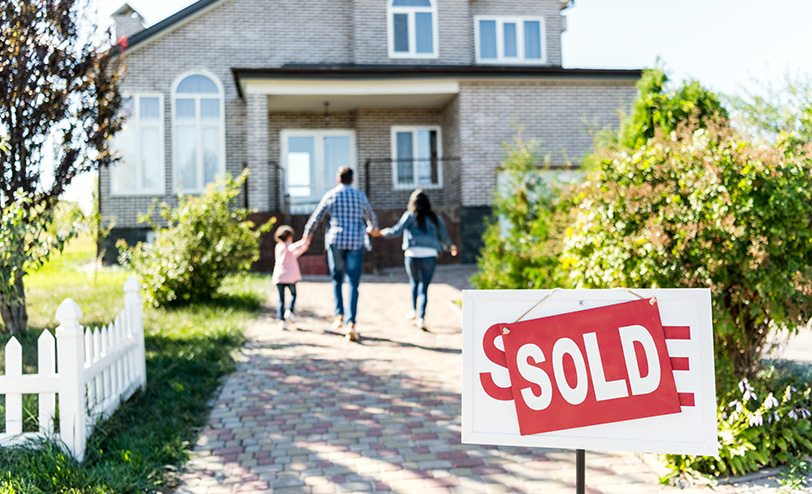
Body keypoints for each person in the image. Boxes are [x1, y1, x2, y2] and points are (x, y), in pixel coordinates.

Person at [302, 166, 378, 342]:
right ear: (352, 179)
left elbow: (317, 216)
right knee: (353, 282)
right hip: (355, 242)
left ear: (338, 179)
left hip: (336, 241)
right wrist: (372, 229)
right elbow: (371, 217)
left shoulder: (332, 195)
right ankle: (351, 324)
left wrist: (307, 235)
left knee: (336, 278)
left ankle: (339, 316)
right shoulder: (360, 196)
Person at [369, 190, 457, 331]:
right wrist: (450, 247)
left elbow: (396, 230)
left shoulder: (409, 216)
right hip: (429, 255)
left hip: (412, 255)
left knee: (414, 282)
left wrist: (380, 233)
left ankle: (413, 310)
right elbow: (444, 236)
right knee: (424, 287)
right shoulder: (435, 218)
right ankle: (421, 317)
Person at [271, 225, 309, 330]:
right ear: (288, 236)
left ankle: (281, 321)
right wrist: (304, 241)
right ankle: (290, 311)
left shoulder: (278, 247)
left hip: (279, 276)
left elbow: (294, 253)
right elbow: (293, 248)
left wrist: (303, 248)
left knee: (281, 300)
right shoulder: (288, 246)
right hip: (290, 277)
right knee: (293, 295)